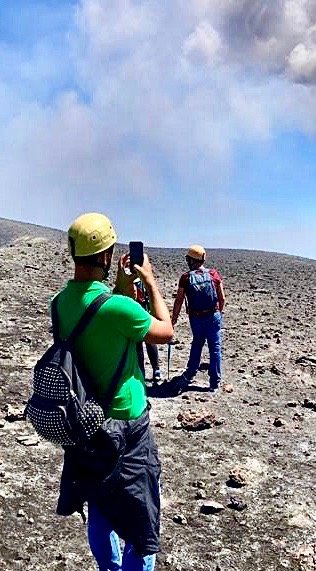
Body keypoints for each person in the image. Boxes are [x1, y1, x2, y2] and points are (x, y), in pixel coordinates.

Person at [54, 212, 174, 570]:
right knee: (141, 523)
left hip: (87, 422)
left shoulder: (59, 303)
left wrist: (119, 286)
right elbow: (166, 331)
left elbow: (99, 319)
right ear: (106, 256)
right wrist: (149, 282)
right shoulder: (119, 307)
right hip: (128, 426)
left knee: (100, 502)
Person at [171, 245, 225, 392]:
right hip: (213, 316)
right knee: (215, 348)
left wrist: (173, 319)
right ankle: (214, 382)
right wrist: (218, 314)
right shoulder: (213, 274)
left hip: (196, 318)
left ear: (190, 260)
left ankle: (190, 374)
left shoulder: (186, 277)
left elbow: (179, 300)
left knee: (197, 345)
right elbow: (222, 299)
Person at [135, 279, 162, 383]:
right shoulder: (145, 280)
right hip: (146, 313)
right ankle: (156, 370)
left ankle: (143, 372)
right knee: (148, 342)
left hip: (139, 314)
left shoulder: (134, 281)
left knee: (139, 345)